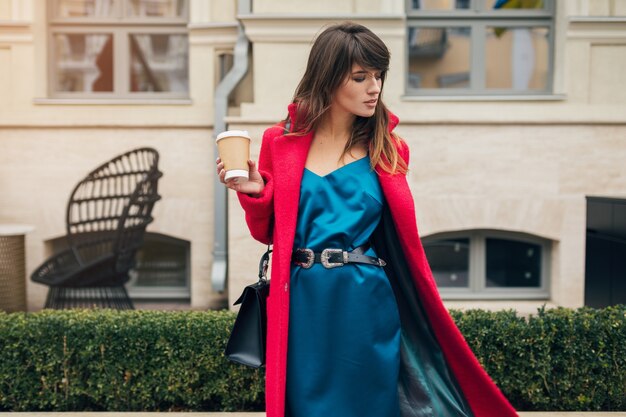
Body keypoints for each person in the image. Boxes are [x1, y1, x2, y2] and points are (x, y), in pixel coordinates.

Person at [216, 22, 518, 417]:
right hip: (303, 302)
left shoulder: (389, 148)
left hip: (366, 301)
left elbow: (401, 238)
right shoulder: (280, 141)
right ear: (327, 78)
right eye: (360, 77)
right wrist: (257, 193)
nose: (374, 87)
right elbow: (267, 233)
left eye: (378, 76)